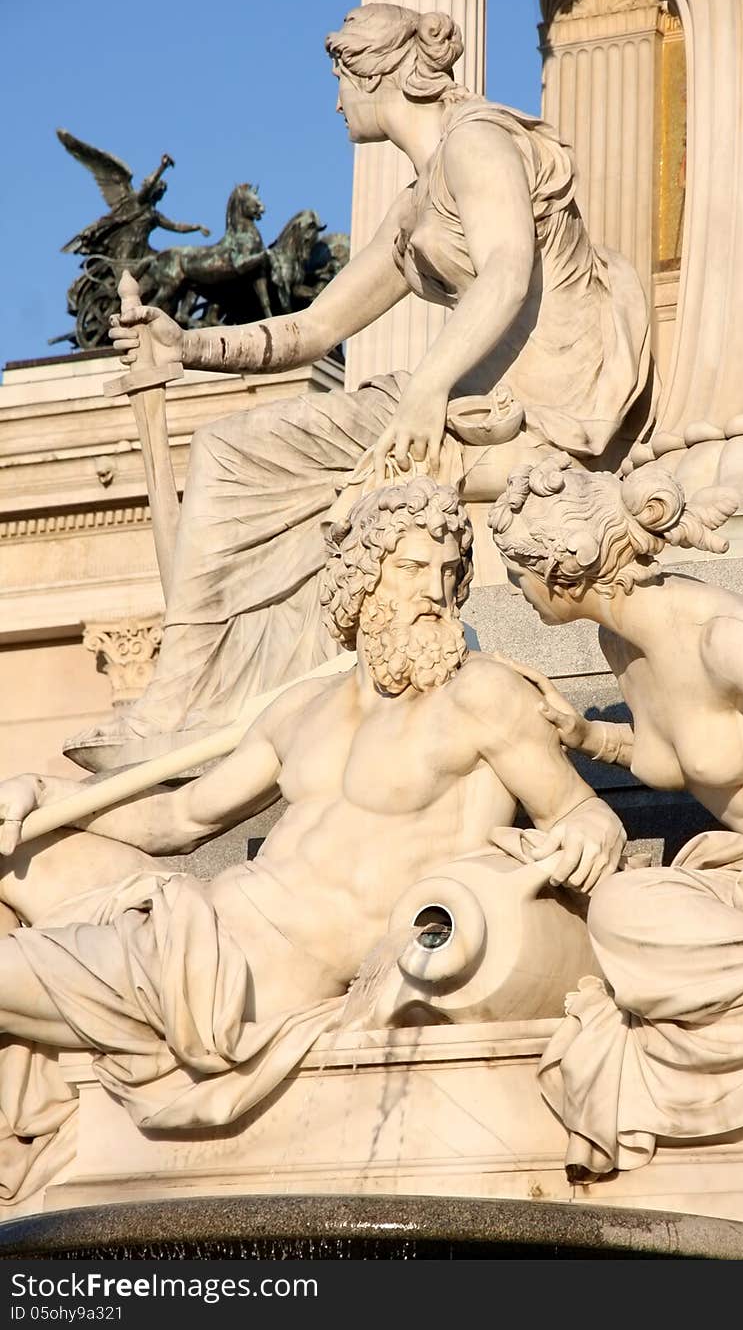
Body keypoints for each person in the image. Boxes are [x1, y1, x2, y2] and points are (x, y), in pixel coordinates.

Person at [0, 477, 624, 1203]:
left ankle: (34, 1149)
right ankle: (32, 1129)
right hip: (190, 918)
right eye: (412, 567)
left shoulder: (480, 695)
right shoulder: (301, 708)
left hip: (247, 981)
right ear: (363, 574)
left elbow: (581, 812)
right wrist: (42, 795)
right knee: (11, 848)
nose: (436, 590)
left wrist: (583, 832)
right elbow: (177, 821)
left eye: (451, 571)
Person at [76, 1, 651, 763]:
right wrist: (185, 344)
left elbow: (508, 274)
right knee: (226, 449)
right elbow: (315, 329)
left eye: (340, 80)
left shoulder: (479, 143)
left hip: (540, 397)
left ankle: (186, 695)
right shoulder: (417, 203)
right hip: (459, 388)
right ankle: (203, 691)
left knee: (273, 475)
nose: (335, 101)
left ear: (373, 73)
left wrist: (426, 391)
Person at [488, 452, 743, 1179]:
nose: (517, 592)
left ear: (561, 570)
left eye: (518, 574)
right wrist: (586, 737)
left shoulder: (720, 637)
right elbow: (668, 751)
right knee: (625, 905)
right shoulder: (620, 641)